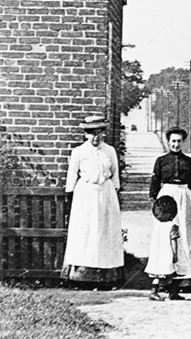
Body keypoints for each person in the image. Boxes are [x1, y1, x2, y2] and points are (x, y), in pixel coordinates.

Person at [61, 116, 124, 287]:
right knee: (86, 233)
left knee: (105, 232)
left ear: (103, 133)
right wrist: (70, 196)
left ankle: (107, 277)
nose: (95, 137)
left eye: (99, 133)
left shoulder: (109, 151)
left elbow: (115, 174)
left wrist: (115, 191)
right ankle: (81, 277)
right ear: (85, 134)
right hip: (86, 195)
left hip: (106, 193)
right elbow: (72, 176)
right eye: (91, 133)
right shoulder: (79, 152)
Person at [145, 127, 191, 300]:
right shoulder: (161, 161)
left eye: (179, 141)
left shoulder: (189, 162)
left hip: (184, 198)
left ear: (183, 142)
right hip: (166, 198)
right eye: (173, 141)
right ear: (168, 141)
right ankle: (163, 281)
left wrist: (189, 198)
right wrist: (154, 202)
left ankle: (183, 281)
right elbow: (155, 182)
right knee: (167, 238)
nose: (176, 144)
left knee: (185, 237)